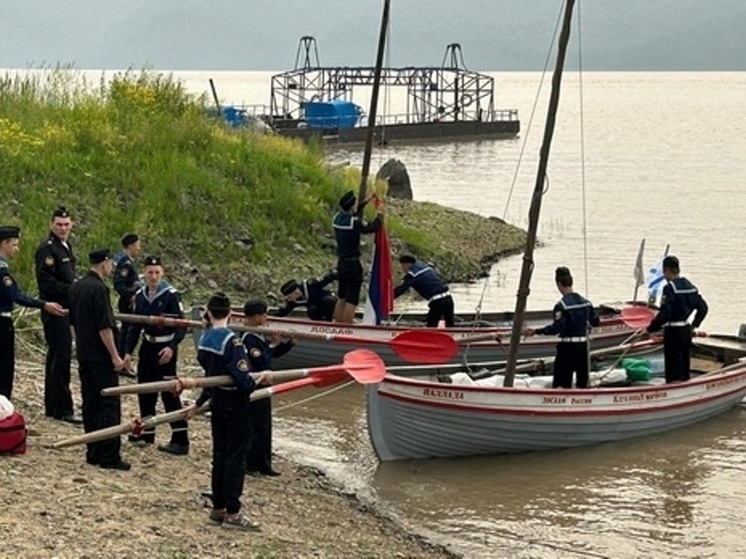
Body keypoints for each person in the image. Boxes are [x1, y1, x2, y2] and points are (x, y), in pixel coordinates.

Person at [189, 292, 266, 531]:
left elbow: (208, 376)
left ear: (209, 314)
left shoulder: (205, 338)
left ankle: (219, 507)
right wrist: (259, 380)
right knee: (236, 457)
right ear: (231, 313)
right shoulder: (232, 342)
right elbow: (243, 380)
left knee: (220, 454)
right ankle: (233, 512)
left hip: (217, 400)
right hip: (235, 402)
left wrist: (200, 402)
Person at [68, 248, 131, 470]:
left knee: (90, 402)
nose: (112, 267)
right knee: (108, 402)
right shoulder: (99, 289)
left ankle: (92, 450)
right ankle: (109, 455)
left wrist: (79, 345)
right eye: (110, 263)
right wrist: (115, 355)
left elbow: (72, 323)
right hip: (100, 356)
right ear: (104, 263)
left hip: (84, 353)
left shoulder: (77, 286)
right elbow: (105, 326)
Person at [123, 256, 189, 454]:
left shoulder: (171, 295)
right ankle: (147, 431)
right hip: (148, 347)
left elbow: (181, 325)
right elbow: (135, 326)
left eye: (157, 272)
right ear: (144, 273)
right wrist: (127, 352)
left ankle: (180, 439)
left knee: (170, 394)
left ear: (162, 273)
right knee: (145, 391)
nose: (153, 277)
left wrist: (172, 347)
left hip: (165, 348)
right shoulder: (141, 295)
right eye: (150, 272)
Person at [0, 226, 66, 399]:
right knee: (4, 366)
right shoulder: (2, 271)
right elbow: (16, 295)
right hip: (2, 322)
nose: (17, 249)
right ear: (4, 244)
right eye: (14, 245)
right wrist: (43, 304)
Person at [35, 206, 81, 424]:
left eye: (66, 224)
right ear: (51, 225)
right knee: (59, 357)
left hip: (66, 309)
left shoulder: (65, 247)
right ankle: (61, 407)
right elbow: (47, 283)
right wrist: (73, 289)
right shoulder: (48, 249)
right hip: (55, 308)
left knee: (59, 357)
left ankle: (55, 405)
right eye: (59, 225)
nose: (63, 228)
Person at [242, 299, 295, 477]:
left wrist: (286, 345)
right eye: (264, 315)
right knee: (255, 426)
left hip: (265, 384)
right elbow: (261, 360)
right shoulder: (248, 338)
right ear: (256, 317)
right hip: (256, 385)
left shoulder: (258, 335)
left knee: (265, 426)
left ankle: (264, 463)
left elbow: (271, 355)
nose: (266, 318)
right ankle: (252, 463)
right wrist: (273, 344)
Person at [523, 267, 600, 389]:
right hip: (583, 347)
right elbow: (596, 322)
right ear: (571, 282)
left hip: (568, 348)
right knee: (583, 383)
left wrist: (537, 331)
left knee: (561, 384)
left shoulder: (561, 305)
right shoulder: (586, 303)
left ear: (558, 283)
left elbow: (557, 328)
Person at [643, 255, 708, 383]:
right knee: (684, 363)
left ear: (666, 270)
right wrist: (694, 325)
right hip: (686, 329)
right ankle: (685, 385)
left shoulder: (669, 288)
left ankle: (672, 387)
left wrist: (650, 329)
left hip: (673, 331)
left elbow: (664, 314)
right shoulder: (690, 286)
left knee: (672, 366)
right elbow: (703, 308)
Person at [332, 190, 384, 324]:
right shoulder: (354, 223)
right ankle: (348, 327)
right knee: (352, 300)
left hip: (341, 263)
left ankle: (337, 324)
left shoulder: (337, 219)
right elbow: (374, 227)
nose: (357, 205)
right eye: (355, 203)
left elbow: (352, 212)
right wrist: (380, 214)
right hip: (353, 264)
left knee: (342, 296)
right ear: (351, 206)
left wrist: (366, 201)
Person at [394, 255, 454, 327]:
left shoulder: (413, 275)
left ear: (407, 265)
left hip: (438, 302)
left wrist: (387, 299)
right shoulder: (426, 268)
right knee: (450, 324)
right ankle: (453, 336)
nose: (403, 270)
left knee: (431, 326)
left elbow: (401, 289)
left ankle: (430, 337)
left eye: (403, 267)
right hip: (448, 298)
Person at [113, 232, 141, 361]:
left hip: (131, 299)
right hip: (128, 302)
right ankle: (123, 357)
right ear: (131, 246)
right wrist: (130, 296)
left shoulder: (128, 260)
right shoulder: (125, 262)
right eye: (137, 245)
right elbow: (119, 284)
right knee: (127, 331)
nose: (139, 248)